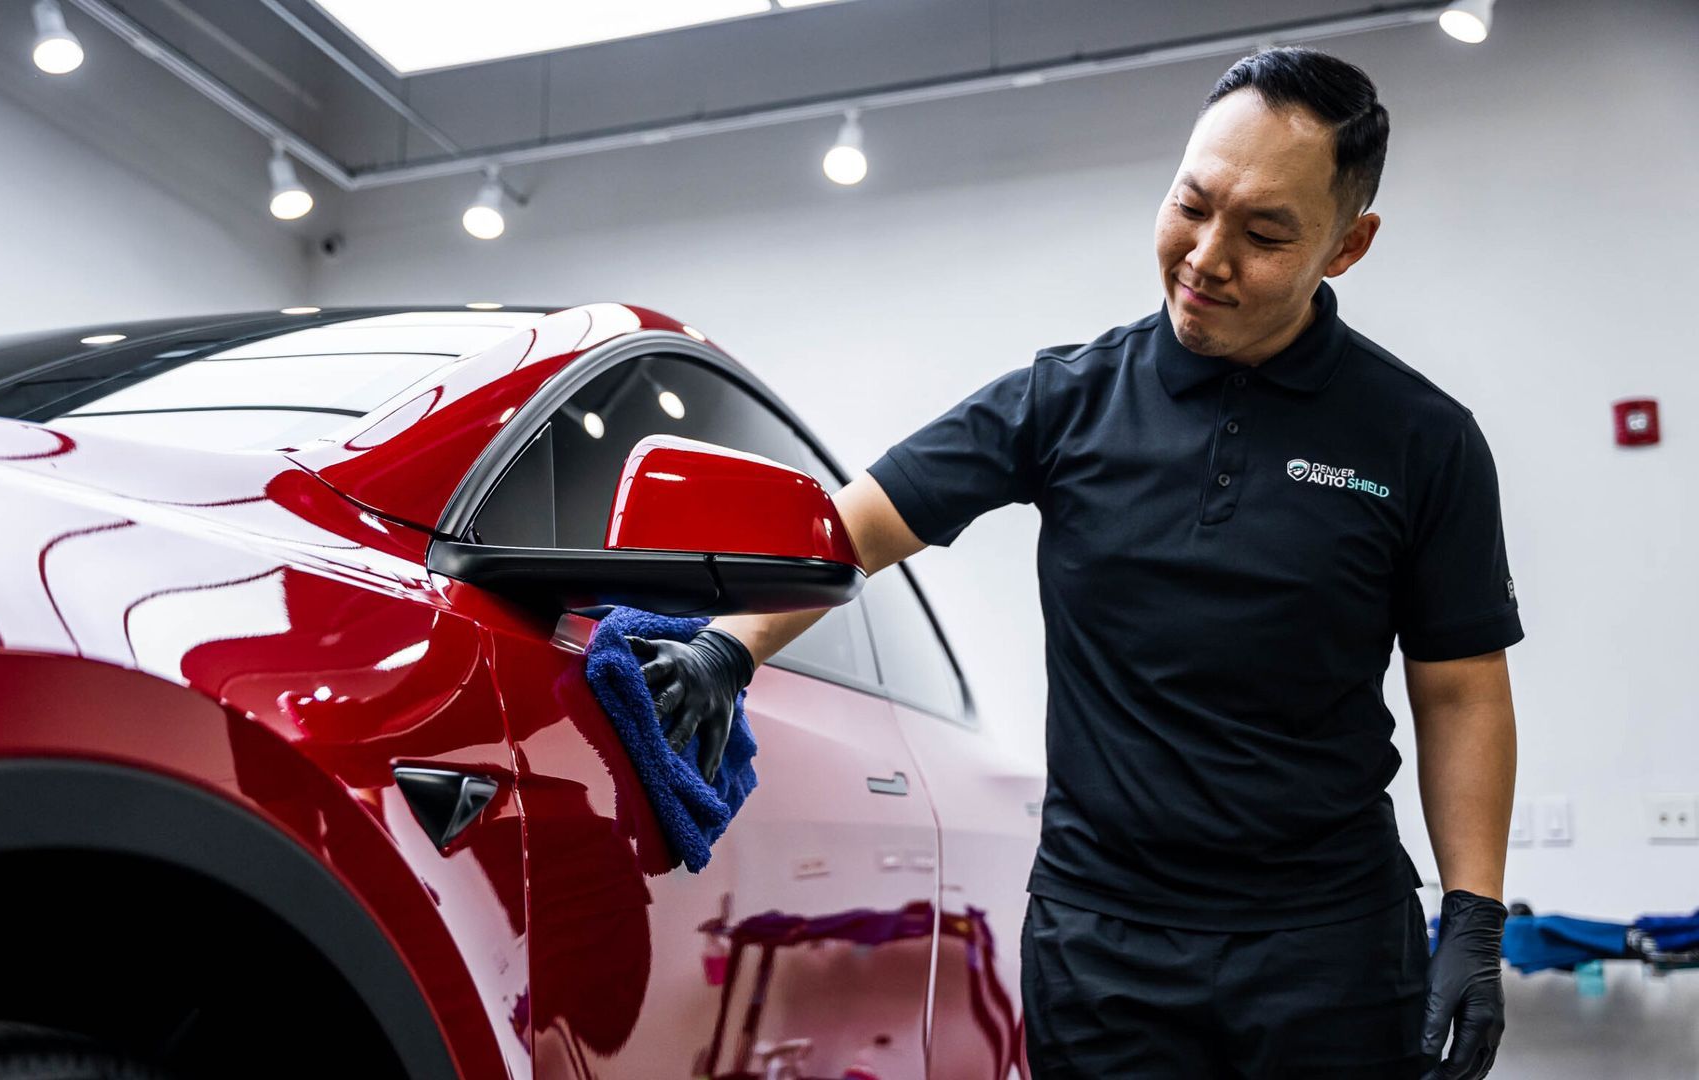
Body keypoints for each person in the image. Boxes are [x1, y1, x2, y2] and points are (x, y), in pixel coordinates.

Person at [630, 47, 1519, 1080]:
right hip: (1104, 949)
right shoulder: (1064, 401)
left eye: (1266, 233)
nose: (1208, 256)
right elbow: (855, 528)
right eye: (1191, 206)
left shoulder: (1421, 438)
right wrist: (723, 652)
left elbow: (1460, 692)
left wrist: (1475, 914)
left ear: (1347, 246)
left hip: (1329, 947)